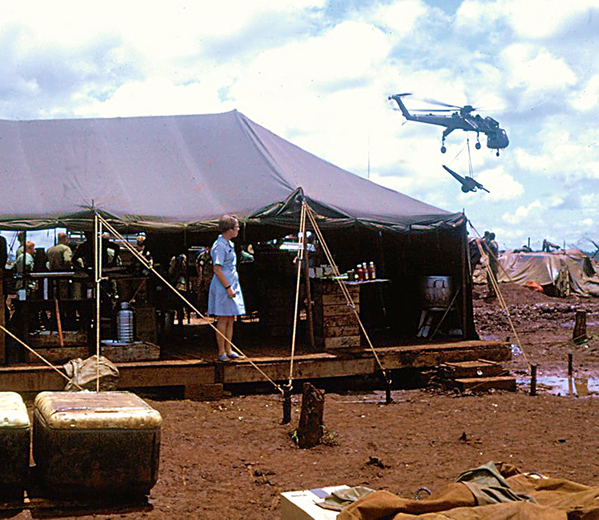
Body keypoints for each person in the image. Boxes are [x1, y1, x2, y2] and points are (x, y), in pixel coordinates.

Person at [208, 215, 246, 361]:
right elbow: (217, 269)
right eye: (236, 227)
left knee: (231, 317)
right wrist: (228, 287)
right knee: (223, 318)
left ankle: (229, 348)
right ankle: (221, 351)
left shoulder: (229, 244)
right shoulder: (220, 246)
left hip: (232, 283)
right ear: (229, 229)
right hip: (224, 285)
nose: (238, 230)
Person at [482, 231, 499, 299]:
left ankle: (492, 291)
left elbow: (488, 250)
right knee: (494, 277)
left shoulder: (492, 243)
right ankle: (494, 291)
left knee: (490, 277)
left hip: (492, 262)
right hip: (494, 261)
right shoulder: (495, 243)